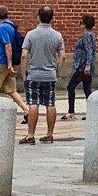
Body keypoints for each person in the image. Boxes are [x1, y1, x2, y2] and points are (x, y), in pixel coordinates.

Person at [21, 7, 64, 144]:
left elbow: (23, 55)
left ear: (38, 17)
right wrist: (57, 71)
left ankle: (30, 134)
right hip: (50, 74)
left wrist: (23, 74)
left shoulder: (30, 34)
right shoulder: (57, 35)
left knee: (33, 104)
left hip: (34, 74)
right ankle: (49, 134)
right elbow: (62, 56)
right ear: (52, 18)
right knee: (50, 104)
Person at [67, 13, 97, 116]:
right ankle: (92, 112)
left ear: (84, 24)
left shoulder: (87, 35)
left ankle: (71, 112)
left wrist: (87, 66)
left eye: (81, 23)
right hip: (85, 66)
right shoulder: (91, 34)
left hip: (83, 67)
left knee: (70, 86)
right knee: (87, 88)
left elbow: (89, 51)